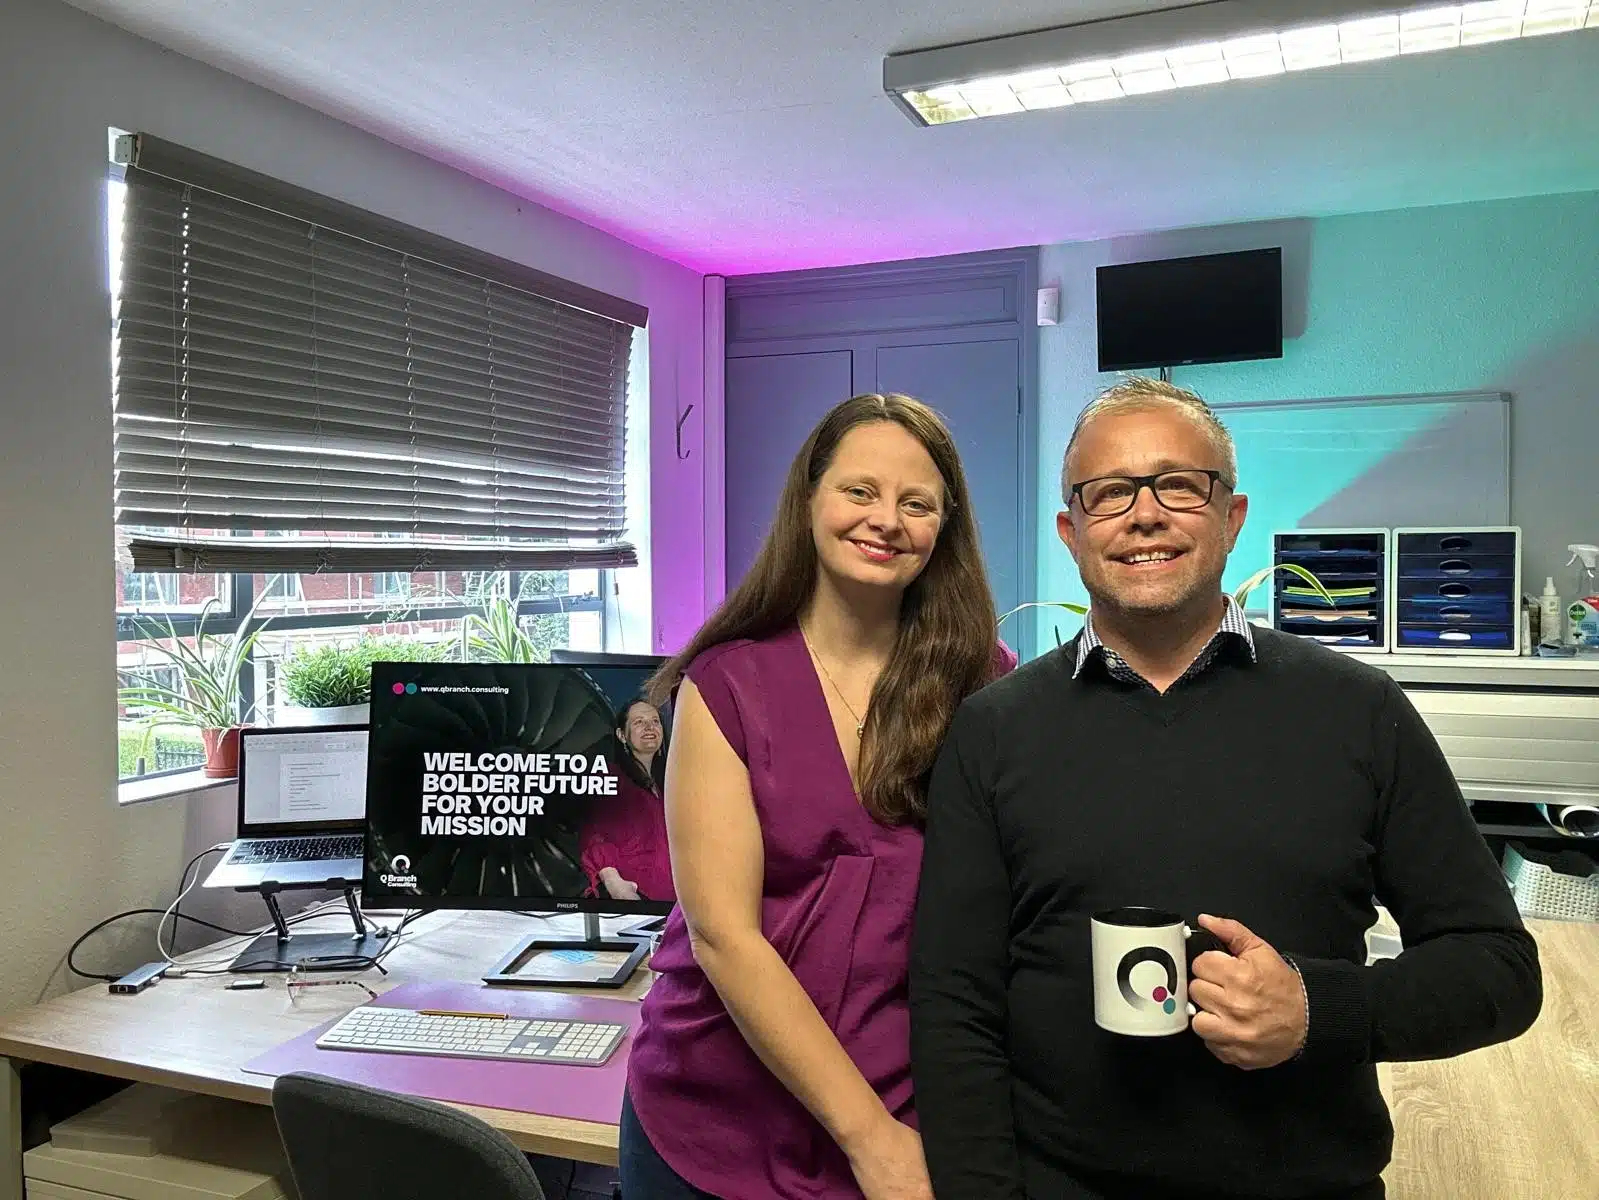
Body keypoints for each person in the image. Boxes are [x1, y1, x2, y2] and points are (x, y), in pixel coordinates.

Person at [909, 378, 1543, 1200]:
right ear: (1070, 532)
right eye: (1109, 495)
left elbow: (1496, 970)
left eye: (1179, 485)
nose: (1145, 515)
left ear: (1232, 516)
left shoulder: (1357, 710)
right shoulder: (993, 731)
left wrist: (1321, 1010)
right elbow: (953, 1005)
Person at [621, 393, 1016, 1200]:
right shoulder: (726, 683)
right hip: (715, 1111)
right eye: (859, 491)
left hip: (913, 1108)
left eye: (916, 503)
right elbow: (724, 937)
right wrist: (869, 1142)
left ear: (944, 529)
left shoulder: (983, 683)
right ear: (809, 500)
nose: (886, 520)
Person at [581, 696, 674, 903]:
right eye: (639, 722)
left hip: (677, 907)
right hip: (633, 900)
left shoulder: (673, 781)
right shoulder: (609, 776)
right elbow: (593, 834)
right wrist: (616, 885)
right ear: (622, 735)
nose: (649, 727)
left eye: (655, 721)